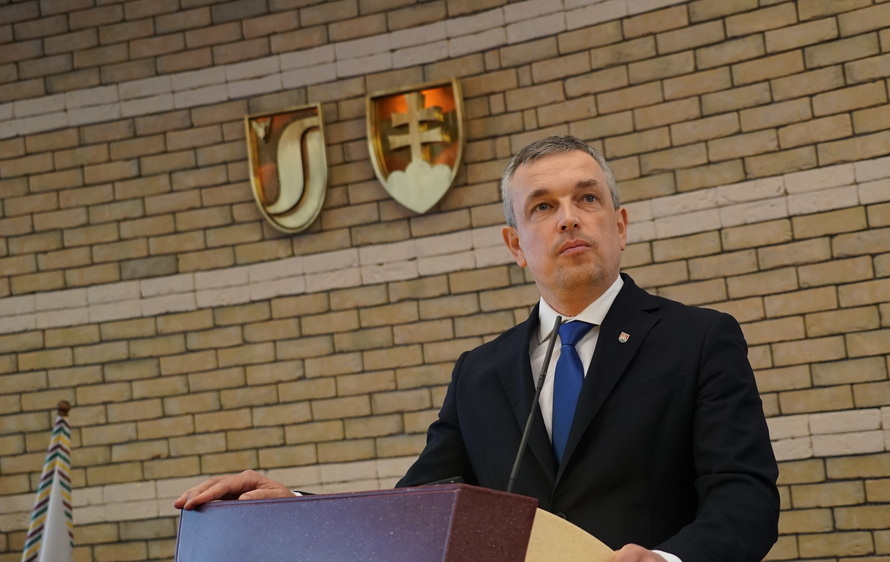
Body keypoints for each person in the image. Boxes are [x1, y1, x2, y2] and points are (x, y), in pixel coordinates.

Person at [175, 136, 779, 561]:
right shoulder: (480, 373)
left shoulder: (699, 339)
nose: (569, 219)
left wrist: (669, 561)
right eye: (543, 207)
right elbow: (418, 512)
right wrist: (294, 506)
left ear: (619, 226)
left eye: (587, 199)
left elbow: (745, 497)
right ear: (516, 245)